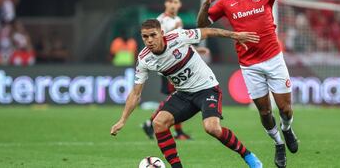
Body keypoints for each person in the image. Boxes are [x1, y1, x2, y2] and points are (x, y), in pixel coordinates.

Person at [111, 19, 262, 168]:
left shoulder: (177, 37)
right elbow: (136, 93)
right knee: (158, 123)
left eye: (153, 35)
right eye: (145, 37)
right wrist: (122, 120)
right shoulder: (144, 59)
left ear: (162, 33)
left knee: (212, 128)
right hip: (183, 93)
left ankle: (248, 155)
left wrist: (235, 35)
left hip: (206, 88)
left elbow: (208, 31)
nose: (149, 40)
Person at [197, 0, 305, 167]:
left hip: (274, 60)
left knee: (285, 109)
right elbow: (202, 24)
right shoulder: (227, 1)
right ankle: (278, 144)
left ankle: (287, 129)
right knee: (264, 113)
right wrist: (205, 5)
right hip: (249, 65)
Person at [142, 0, 209, 140]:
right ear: (165, 3)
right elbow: (162, 43)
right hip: (168, 66)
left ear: (180, 4)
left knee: (176, 96)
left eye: (176, 2)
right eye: (170, 2)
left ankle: (151, 123)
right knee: (178, 96)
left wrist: (196, 49)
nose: (173, 5)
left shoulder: (177, 19)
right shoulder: (161, 22)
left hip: (178, 64)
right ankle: (170, 129)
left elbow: (178, 44)